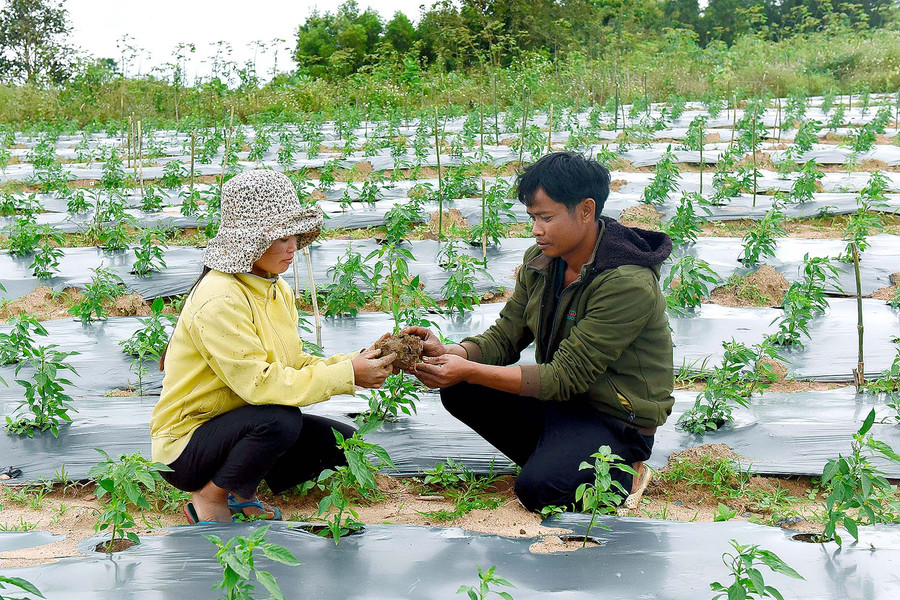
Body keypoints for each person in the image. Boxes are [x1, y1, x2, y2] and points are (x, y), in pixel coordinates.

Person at [405, 151, 674, 512]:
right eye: (533, 218)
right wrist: (457, 353)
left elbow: (565, 376)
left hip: (615, 421)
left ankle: (624, 469)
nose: (536, 229)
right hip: (564, 406)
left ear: (586, 210)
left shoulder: (626, 282)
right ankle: (563, 457)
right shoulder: (543, 259)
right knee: (460, 388)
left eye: (546, 218)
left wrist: (469, 369)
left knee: (539, 491)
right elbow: (505, 334)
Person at [150, 169, 396, 524]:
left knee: (336, 442)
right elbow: (261, 385)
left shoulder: (274, 287)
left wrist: (356, 362)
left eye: (293, 234)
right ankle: (208, 498)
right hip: (186, 446)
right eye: (280, 237)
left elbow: (291, 361)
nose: (292, 245)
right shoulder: (219, 298)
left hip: (233, 422)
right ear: (248, 242)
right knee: (279, 419)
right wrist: (346, 374)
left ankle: (240, 490)